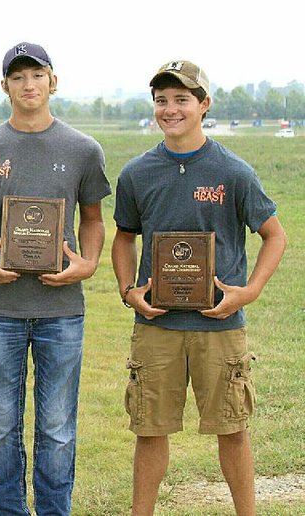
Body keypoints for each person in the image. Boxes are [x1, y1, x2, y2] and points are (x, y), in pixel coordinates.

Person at [112, 61, 287, 516]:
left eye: (182, 100)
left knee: (233, 429)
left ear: (204, 105)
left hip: (220, 327)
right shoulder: (137, 173)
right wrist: (129, 290)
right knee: (150, 431)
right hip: (156, 328)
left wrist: (248, 292)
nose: (170, 110)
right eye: (162, 101)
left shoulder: (233, 171)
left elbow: (275, 235)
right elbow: (123, 237)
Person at [0, 42, 111, 515]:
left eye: (37, 75)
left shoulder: (84, 149)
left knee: (57, 429)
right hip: (0, 311)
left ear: (53, 82)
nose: (29, 85)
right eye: (18, 77)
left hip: (61, 312)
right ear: (4, 85)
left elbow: (92, 218)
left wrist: (87, 263)